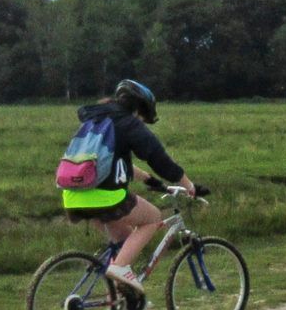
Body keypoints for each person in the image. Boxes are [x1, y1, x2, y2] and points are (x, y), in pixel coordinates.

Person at [59, 79, 201, 293]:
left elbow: (108, 161)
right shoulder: (128, 123)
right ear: (138, 110)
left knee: (126, 241)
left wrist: (149, 180)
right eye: (143, 117)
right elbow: (157, 157)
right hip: (105, 197)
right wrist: (188, 185)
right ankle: (119, 268)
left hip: (73, 195)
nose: (142, 122)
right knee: (153, 217)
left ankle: (121, 294)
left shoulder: (96, 121)